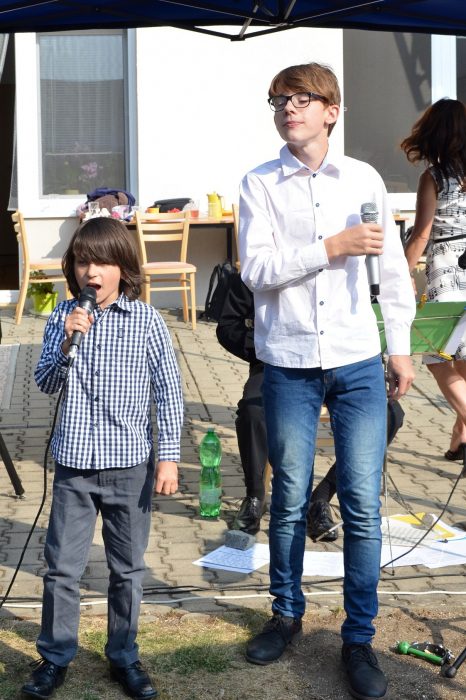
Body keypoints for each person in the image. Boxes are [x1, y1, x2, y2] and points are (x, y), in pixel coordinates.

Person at [238, 62, 415, 700]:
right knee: (289, 498)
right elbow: (256, 271)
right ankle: (286, 615)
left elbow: (392, 270)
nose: (288, 108)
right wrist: (331, 247)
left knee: (362, 506)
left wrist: (401, 348)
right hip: (288, 361)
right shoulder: (259, 183)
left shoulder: (364, 178)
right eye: (278, 100)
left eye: (301, 98)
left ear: (331, 111)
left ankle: (358, 638)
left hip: (357, 358)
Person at [21, 218, 183, 700]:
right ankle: (54, 657)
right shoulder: (62, 316)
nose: (92, 272)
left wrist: (168, 458)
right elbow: (45, 382)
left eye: (103, 262)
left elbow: (169, 392)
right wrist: (67, 341)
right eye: (83, 262)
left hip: (129, 464)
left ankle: (124, 656)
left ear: (123, 268)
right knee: (61, 568)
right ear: (72, 268)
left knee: (127, 569)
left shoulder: (147, 321)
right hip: (73, 464)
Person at [216, 273, 405, 542]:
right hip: (280, 364)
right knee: (252, 409)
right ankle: (255, 496)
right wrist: (266, 346)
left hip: (344, 366)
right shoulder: (262, 268)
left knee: (390, 414)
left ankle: (322, 497)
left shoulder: (349, 271)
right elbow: (227, 327)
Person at [401, 98, 466, 462]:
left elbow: (421, 235)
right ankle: (460, 437)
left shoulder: (434, 177)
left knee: (437, 355)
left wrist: (401, 273)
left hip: (448, 268)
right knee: (464, 356)